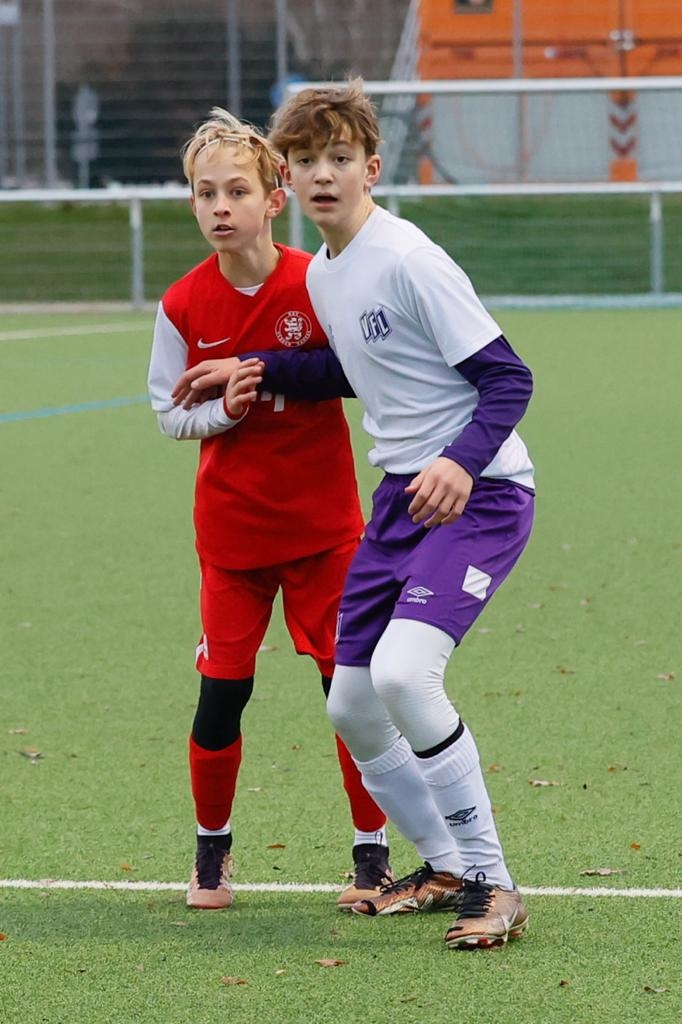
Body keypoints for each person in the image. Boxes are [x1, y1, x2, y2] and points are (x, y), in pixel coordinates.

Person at [178, 80, 536, 951]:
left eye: (340, 158)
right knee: (351, 703)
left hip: (480, 493)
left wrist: (459, 460)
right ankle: (443, 862)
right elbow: (354, 368)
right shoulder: (329, 273)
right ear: (287, 177)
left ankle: (492, 882)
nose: (322, 174)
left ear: (371, 168)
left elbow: (508, 378)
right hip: (401, 499)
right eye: (306, 160)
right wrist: (254, 367)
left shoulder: (408, 258)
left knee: (406, 676)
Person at [147, 106, 391, 913]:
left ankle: (371, 853)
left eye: (237, 191)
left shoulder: (317, 282)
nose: (220, 207)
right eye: (205, 193)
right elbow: (169, 412)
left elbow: (361, 369)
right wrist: (223, 413)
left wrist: (273, 372)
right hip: (234, 540)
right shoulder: (183, 304)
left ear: (273, 198)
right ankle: (211, 852)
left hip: (325, 532)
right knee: (222, 693)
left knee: (348, 695)